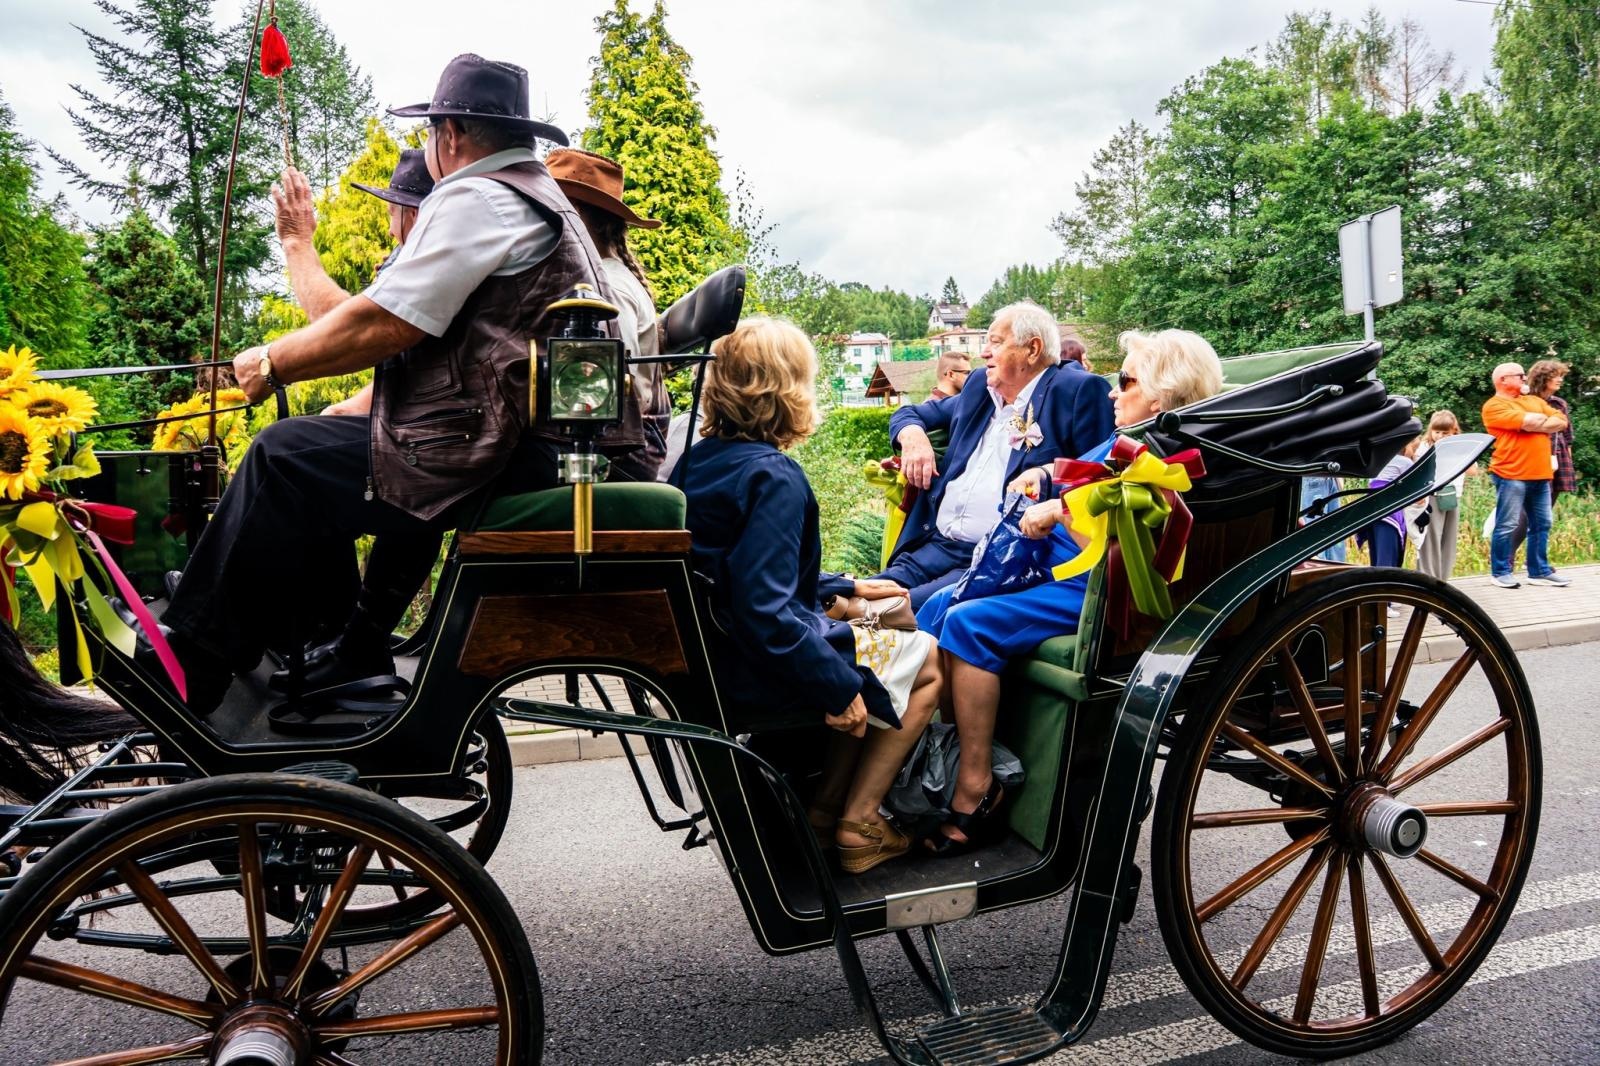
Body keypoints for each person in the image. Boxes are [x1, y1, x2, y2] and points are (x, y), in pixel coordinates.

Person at [159, 54, 632, 715]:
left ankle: (192, 666)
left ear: (452, 134)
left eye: (432, 131)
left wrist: (272, 362)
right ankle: (349, 649)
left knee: (282, 456)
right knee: (325, 449)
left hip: (508, 449)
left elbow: (385, 322)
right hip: (535, 443)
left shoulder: (479, 197)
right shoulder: (528, 195)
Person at [914, 329, 1224, 854]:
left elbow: (1116, 546)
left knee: (967, 621)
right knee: (940, 605)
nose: (1112, 391)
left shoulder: (1163, 457)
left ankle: (977, 784)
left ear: (1162, 395)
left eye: (1126, 380)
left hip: (1095, 586)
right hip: (1053, 569)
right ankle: (942, 756)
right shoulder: (1131, 439)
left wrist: (1060, 511)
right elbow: (1075, 476)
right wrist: (1042, 475)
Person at [673, 318, 941, 874]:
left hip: (717, 653)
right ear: (787, 389)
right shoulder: (773, 475)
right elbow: (766, 609)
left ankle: (824, 814)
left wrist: (845, 587)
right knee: (928, 660)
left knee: (879, 634)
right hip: (752, 665)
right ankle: (860, 823)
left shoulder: (698, 462)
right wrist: (835, 684)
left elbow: (739, 570)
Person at [260, 150, 444, 692]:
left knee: (286, 455)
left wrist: (297, 244)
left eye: (392, 211)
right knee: (317, 453)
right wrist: (351, 408)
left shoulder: (427, 260)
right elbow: (416, 366)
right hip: (446, 435)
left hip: (443, 449)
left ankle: (234, 617)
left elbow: (352, 328)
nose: (388, 226)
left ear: (413, 213)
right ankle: (345, 637)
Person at [858, 301, 1114, 610]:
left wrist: (1045, 477)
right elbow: (910, 413)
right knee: (850, 597)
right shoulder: (979, 387)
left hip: (1000, 560)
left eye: (995, 342)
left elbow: (1097, 479)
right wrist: (913, 437)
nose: (984, 353)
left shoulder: (1076, 391)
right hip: (935, 546)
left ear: (1032, 349)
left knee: (882, 611)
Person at [545, 148, 666, 482]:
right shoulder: (605, 277)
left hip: (622, 452)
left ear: (576, 214)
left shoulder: (608, 287)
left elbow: (611, 392)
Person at [1482, 361, 1570, 589]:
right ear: (1503, 380)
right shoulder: (1494, 406)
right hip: (1511, 474)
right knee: (1507, 524)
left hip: (1541, 474)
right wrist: (1539, 422)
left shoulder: (1533, 401)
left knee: (1542, 524)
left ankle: (1539, 572)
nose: (1524, 378)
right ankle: (1500, 572)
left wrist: (1536, 422)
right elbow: (1531, 421)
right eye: (1520, 375)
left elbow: (1561, 421)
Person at [1509, 360, 1576, 561]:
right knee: (1527, 512)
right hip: (1532, 458)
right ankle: (1507, 557)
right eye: (1556, 376)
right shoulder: (1524, 400)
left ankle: (1536, 562)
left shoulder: (1559, 403)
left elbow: (1567, 437)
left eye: (1561, 376)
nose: (1560, 380)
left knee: (1544, 515)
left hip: (1558, 459)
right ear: (1543, 378)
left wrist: (1568, 465)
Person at [1413, 411, 1467, 581]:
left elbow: (1473, 470)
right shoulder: (1424, 447)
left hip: (1453, 495)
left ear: (1454, 431)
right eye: (1437, 432)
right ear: (1431, 430)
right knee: (1430, 538)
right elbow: (1418, 471)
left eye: (1445, 433)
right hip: (1432, 495)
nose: (1440, 436)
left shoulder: (1461, 446)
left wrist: (1458, 449)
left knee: (1449, 539)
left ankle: (1443, 581)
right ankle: (1428, 578)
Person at [1358, 438, 1418, 569]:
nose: (1415, 451)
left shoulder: (1376, 461)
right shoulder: (1405, 462)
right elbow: (1414, 489)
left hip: (1371, 507)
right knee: (1387, 559)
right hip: (1390, 510)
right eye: (1414, 447)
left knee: (1376, 556)